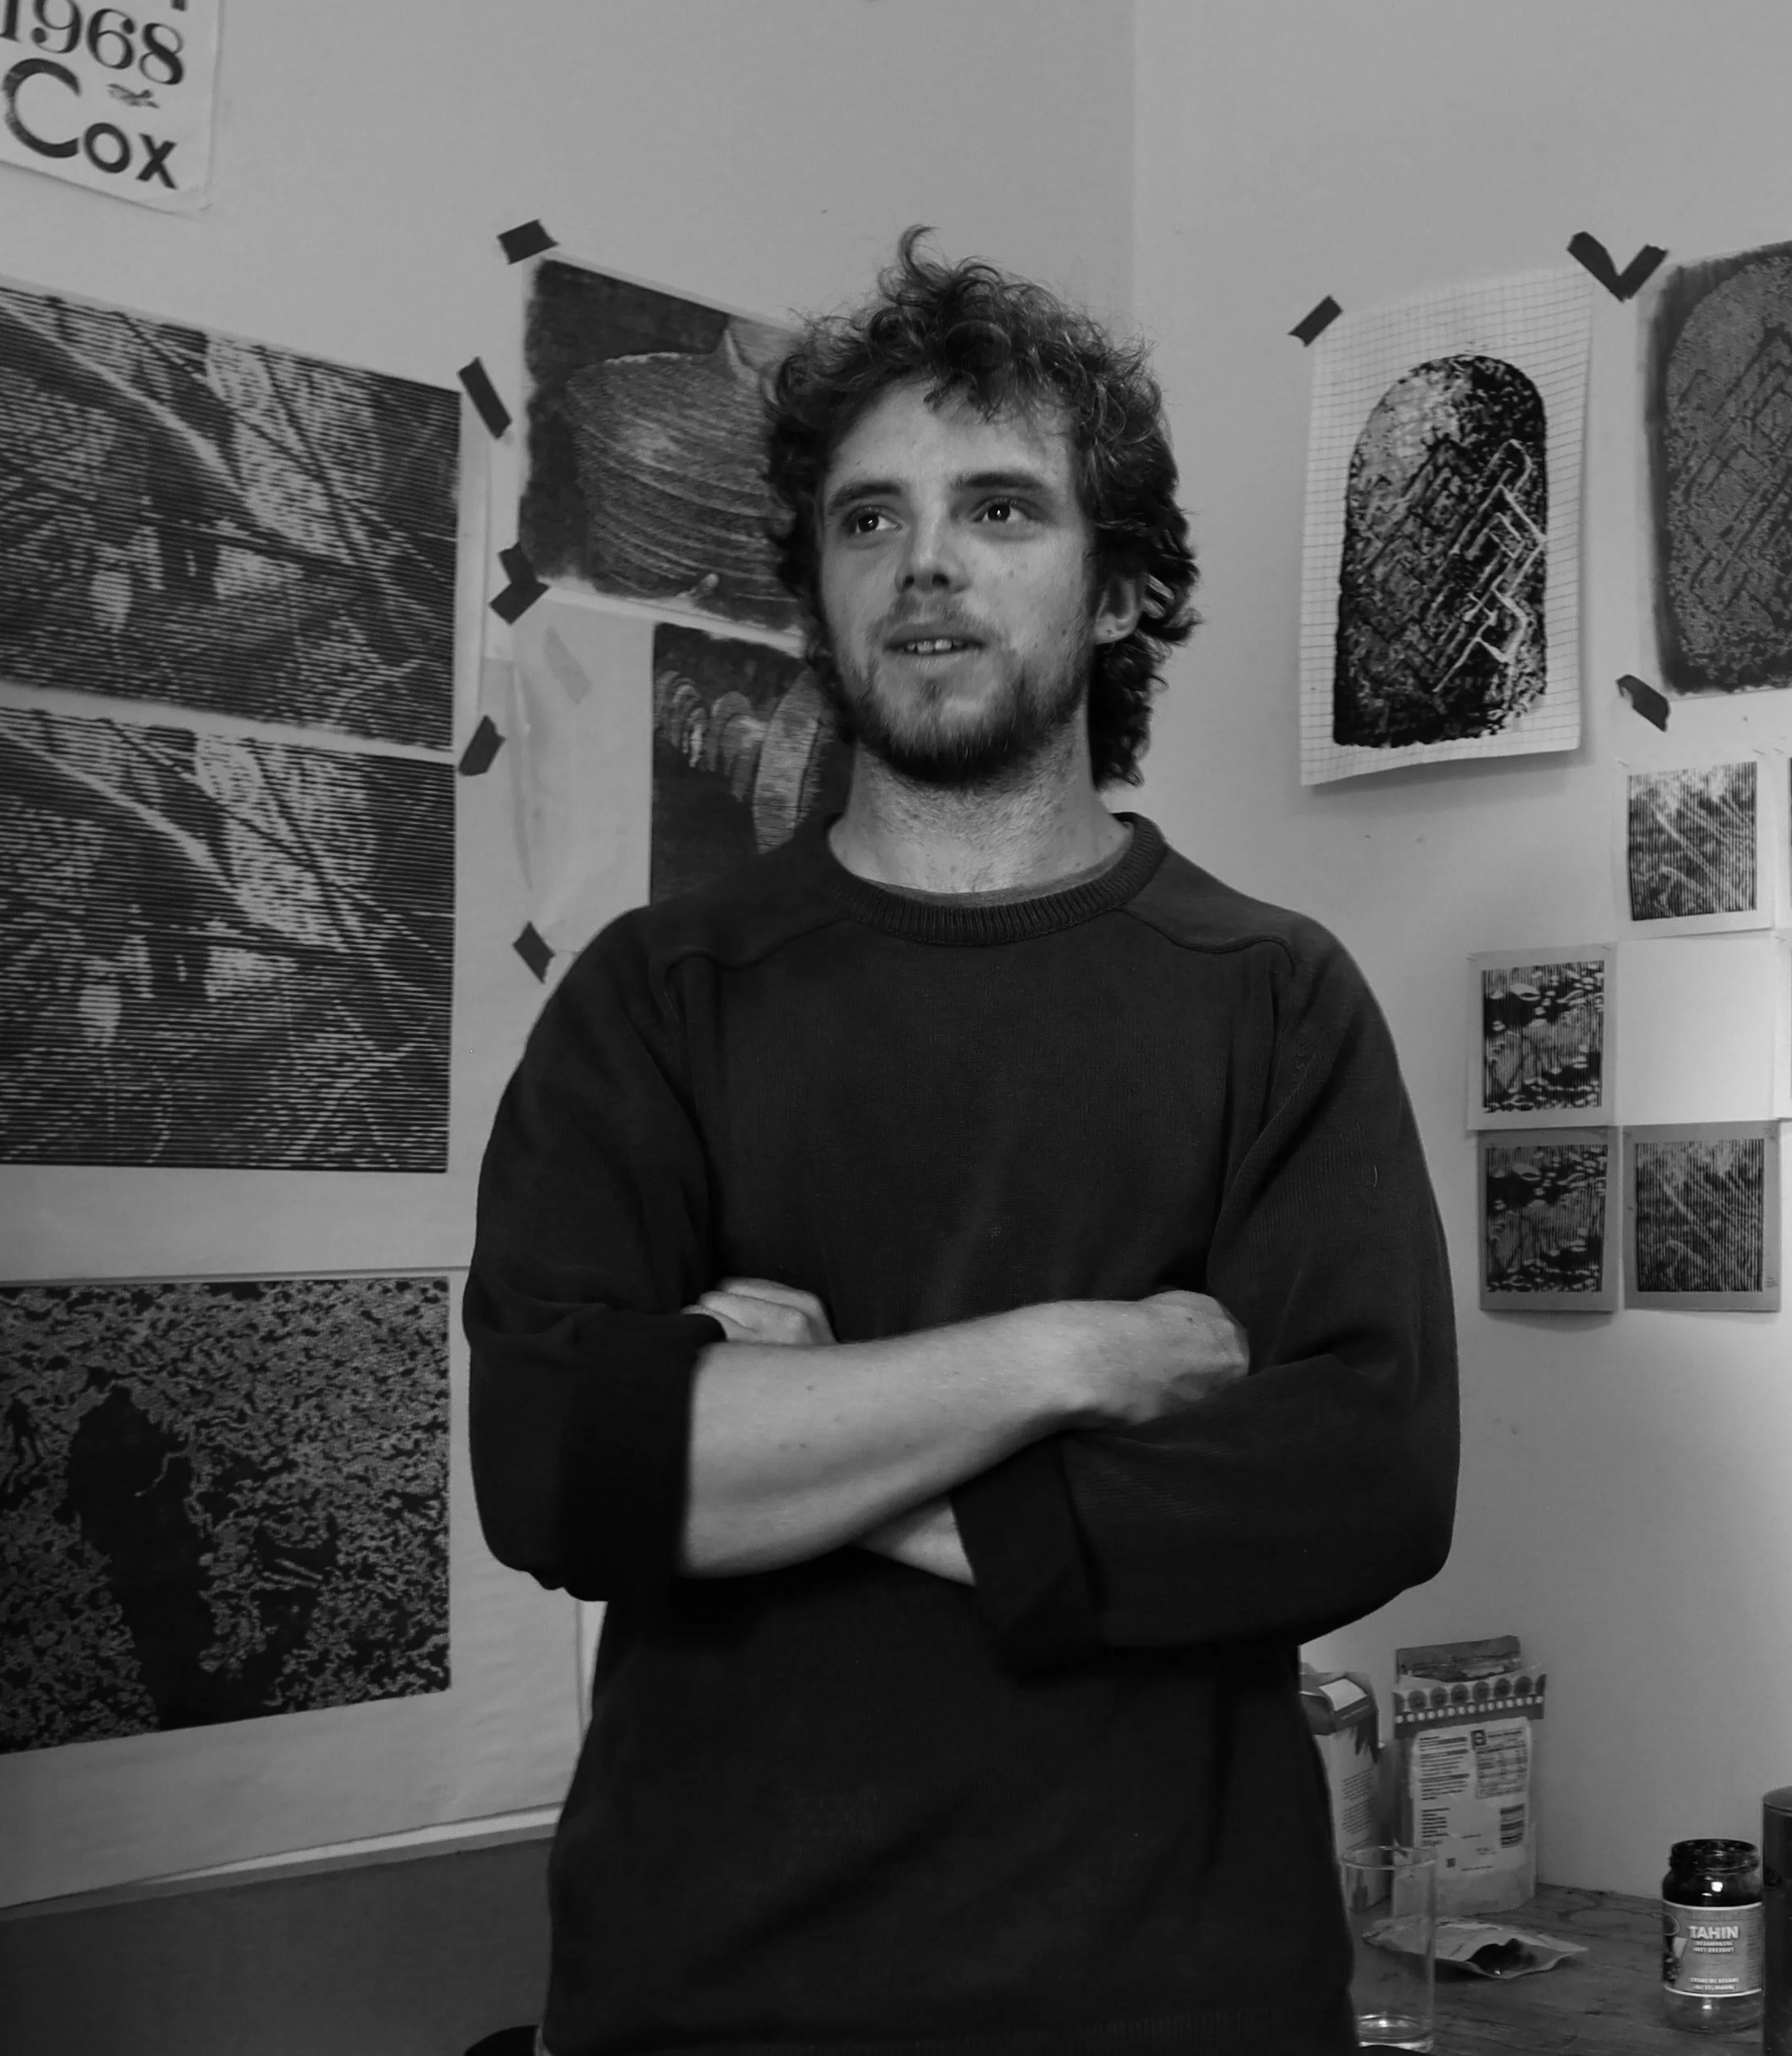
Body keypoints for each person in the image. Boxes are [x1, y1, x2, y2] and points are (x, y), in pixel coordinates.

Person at [466, 231, 1459, 2056]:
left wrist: (799, 1429)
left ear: (1120, 592)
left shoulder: (1270, 995)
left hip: (1177, 2001)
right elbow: (555, 1470)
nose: (923, 561)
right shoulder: (658, 997)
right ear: (818, 587)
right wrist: (1067, 1357)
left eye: (999, 509)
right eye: (868, 519)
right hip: (714, 1999)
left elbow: (1356, 1484)